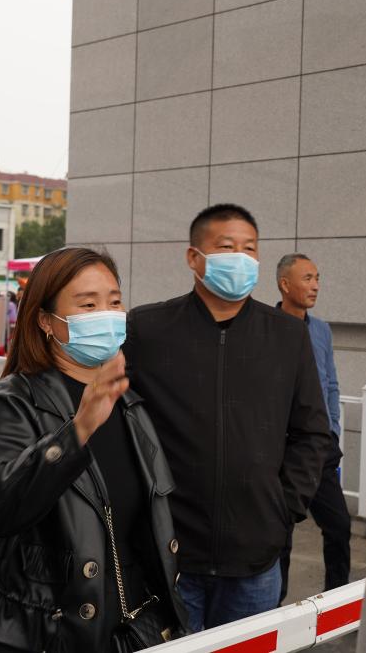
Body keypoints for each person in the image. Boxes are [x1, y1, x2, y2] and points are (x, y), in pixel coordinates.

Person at [0, 247, 188, 653]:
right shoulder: (12, 401)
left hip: (128, 626)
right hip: (38, 632)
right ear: (46, 320)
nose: (106, 315)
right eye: (88, 305)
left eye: (114, 302)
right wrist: (78, 430)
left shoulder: (128, 403)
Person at [124, 204, 333, 632]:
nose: (240, 257)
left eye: (249, 248)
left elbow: (312, 432)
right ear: (194, 257)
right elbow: (116, 422)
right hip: (168, 553)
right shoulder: (148, 329)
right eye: (226, 247)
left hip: (256, 557)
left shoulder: (287, 335)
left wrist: (284, 510)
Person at [275, 254, 350, 603]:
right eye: (307, 278)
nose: (316, 285)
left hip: (319, 447)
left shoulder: (321, 330)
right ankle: (273, 610)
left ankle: (337, 601)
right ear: (284, 284)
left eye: (317, 278)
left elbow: (331, 383)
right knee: (280, 535)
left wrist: (332, 430)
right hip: (280, 449)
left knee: (339, 526)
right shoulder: (266, 327)